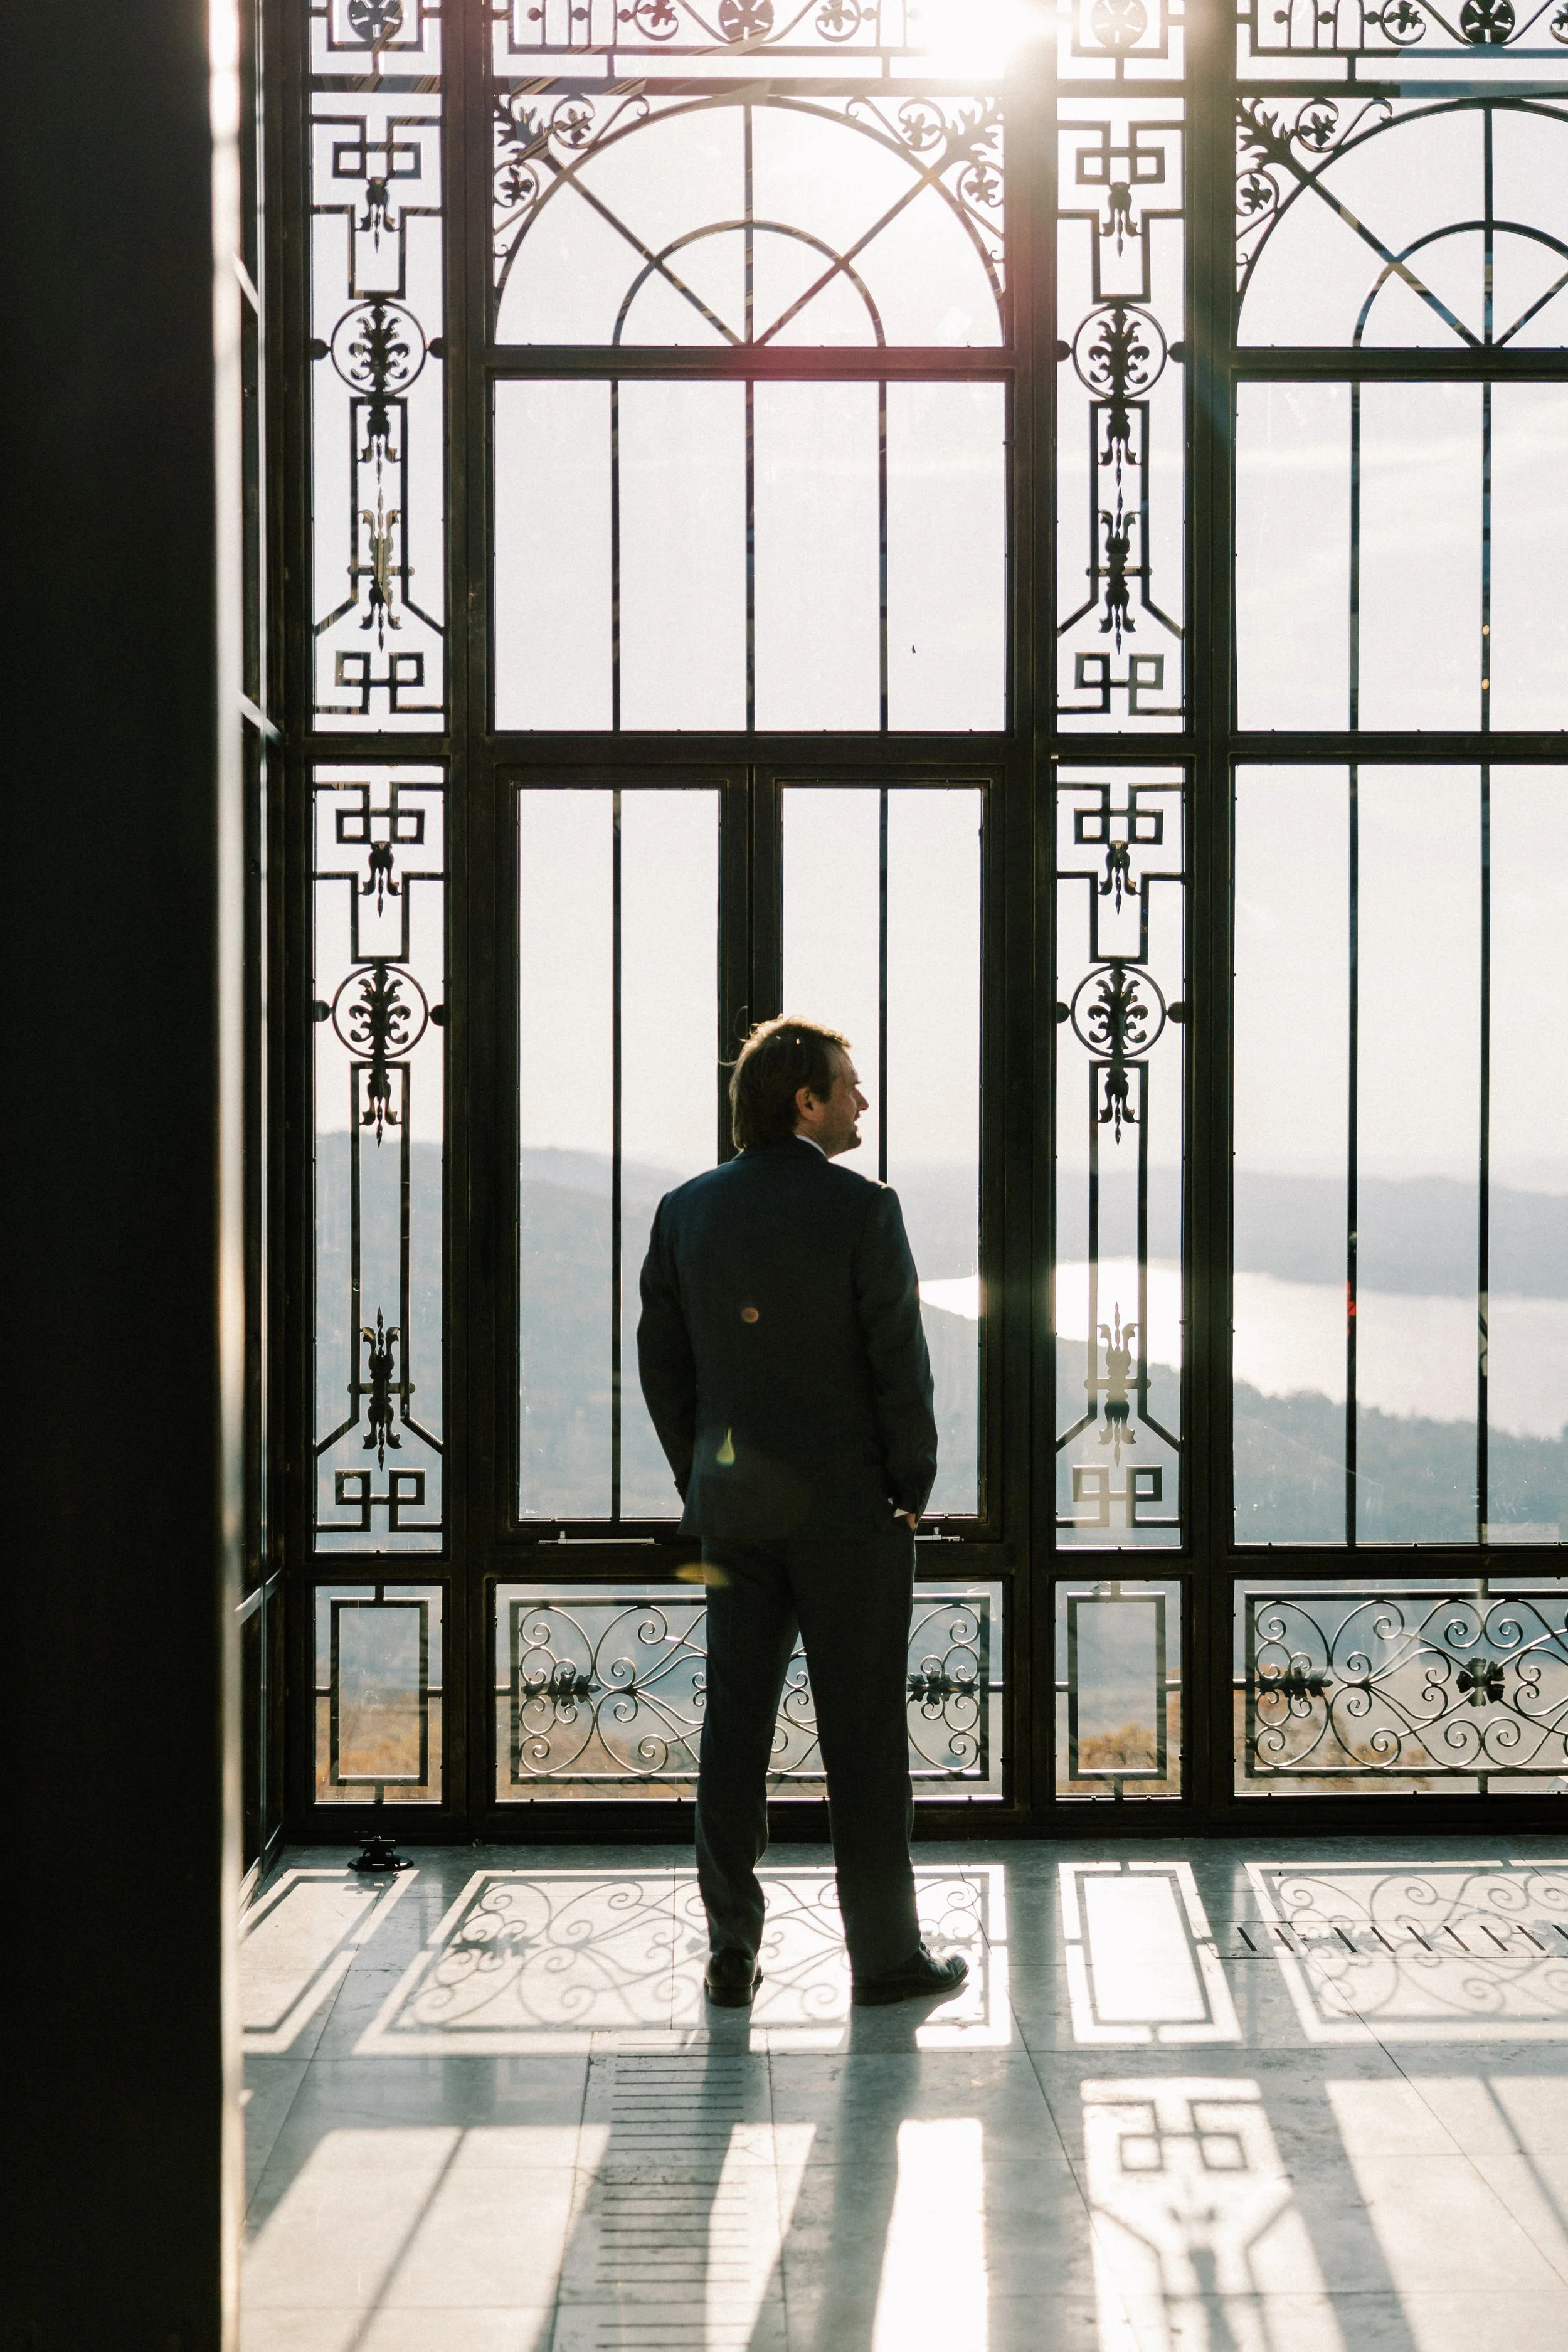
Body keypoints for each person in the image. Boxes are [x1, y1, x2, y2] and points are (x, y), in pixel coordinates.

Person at [637, 1015, 968, 2010]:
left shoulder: (684, 1210)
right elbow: (898, 1367)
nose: (862, 1101)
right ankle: (884, 1956)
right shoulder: (864, 1209)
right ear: (805, 1102)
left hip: (734, 1511)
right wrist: (910, 1487)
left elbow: (666, 1369)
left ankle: (731, 1951)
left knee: (734, 1727)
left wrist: (707, 1477)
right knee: (862, 1734)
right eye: (849, 1085)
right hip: (849, 1516)